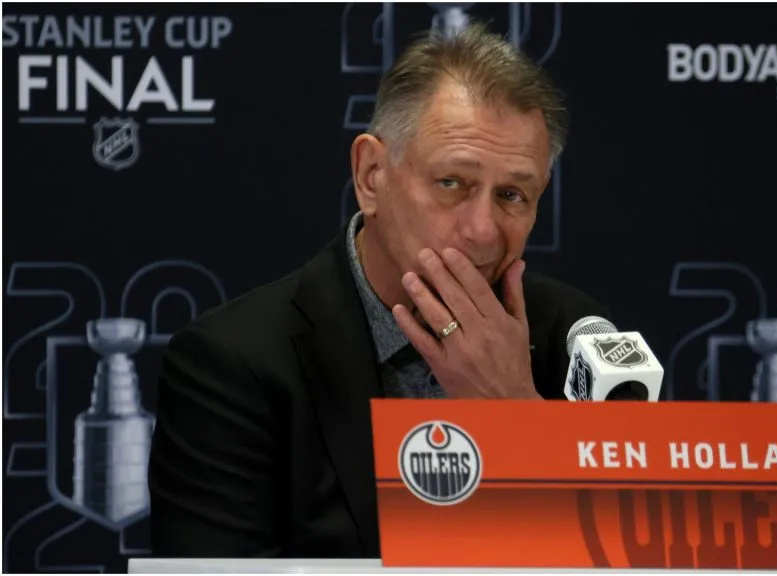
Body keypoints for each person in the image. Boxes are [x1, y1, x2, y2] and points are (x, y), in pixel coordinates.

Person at [148, 21, 610, 558]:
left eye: (511, 194)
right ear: (371, 176)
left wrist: (515, 415)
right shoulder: (233, 365)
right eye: (452, 183)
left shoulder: (577, 339)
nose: (483, 229)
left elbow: (633, 559)